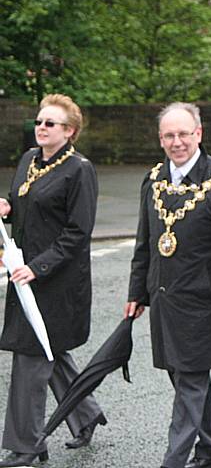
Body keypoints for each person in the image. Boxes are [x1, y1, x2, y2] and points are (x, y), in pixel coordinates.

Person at [124, 102, 211, 468]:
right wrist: (137, 294)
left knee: (190, 381)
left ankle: (174, 460)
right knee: (183, 376)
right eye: (169, 135)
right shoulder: (152, 181)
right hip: (166, 300)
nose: (177, 142)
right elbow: (145, 243)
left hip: (206, 303)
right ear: (160, 138)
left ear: (199, 133)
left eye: (184, 134)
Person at [0, 94, 106, 467]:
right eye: (39, 121)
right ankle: (85, 413)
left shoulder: (80, 170)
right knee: (51, 351)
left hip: (57, 281)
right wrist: (9, 209)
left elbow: (78, 232)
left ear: (70, 131)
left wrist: (39, 267)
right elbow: (30, 208)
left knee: (30, 357)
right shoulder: (29, 159)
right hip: (26, 274)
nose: (41, 128)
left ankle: (28, 444)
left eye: (50, 123)